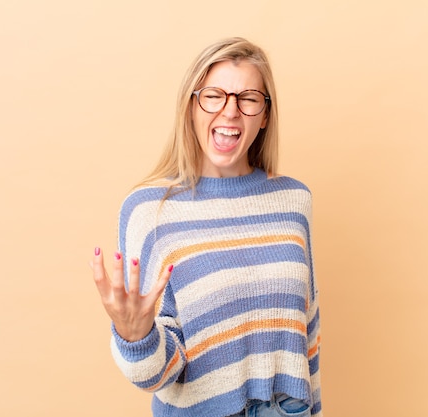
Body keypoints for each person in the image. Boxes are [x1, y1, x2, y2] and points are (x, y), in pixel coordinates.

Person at [92, 37, 322, 417]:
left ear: (264, 115)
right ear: (192, 108)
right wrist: (136, 337)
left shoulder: (294, 201)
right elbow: (157, 376)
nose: (230, 111)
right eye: (214, 95)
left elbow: (309, 335)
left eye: (248, 98)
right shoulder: (148, 212)